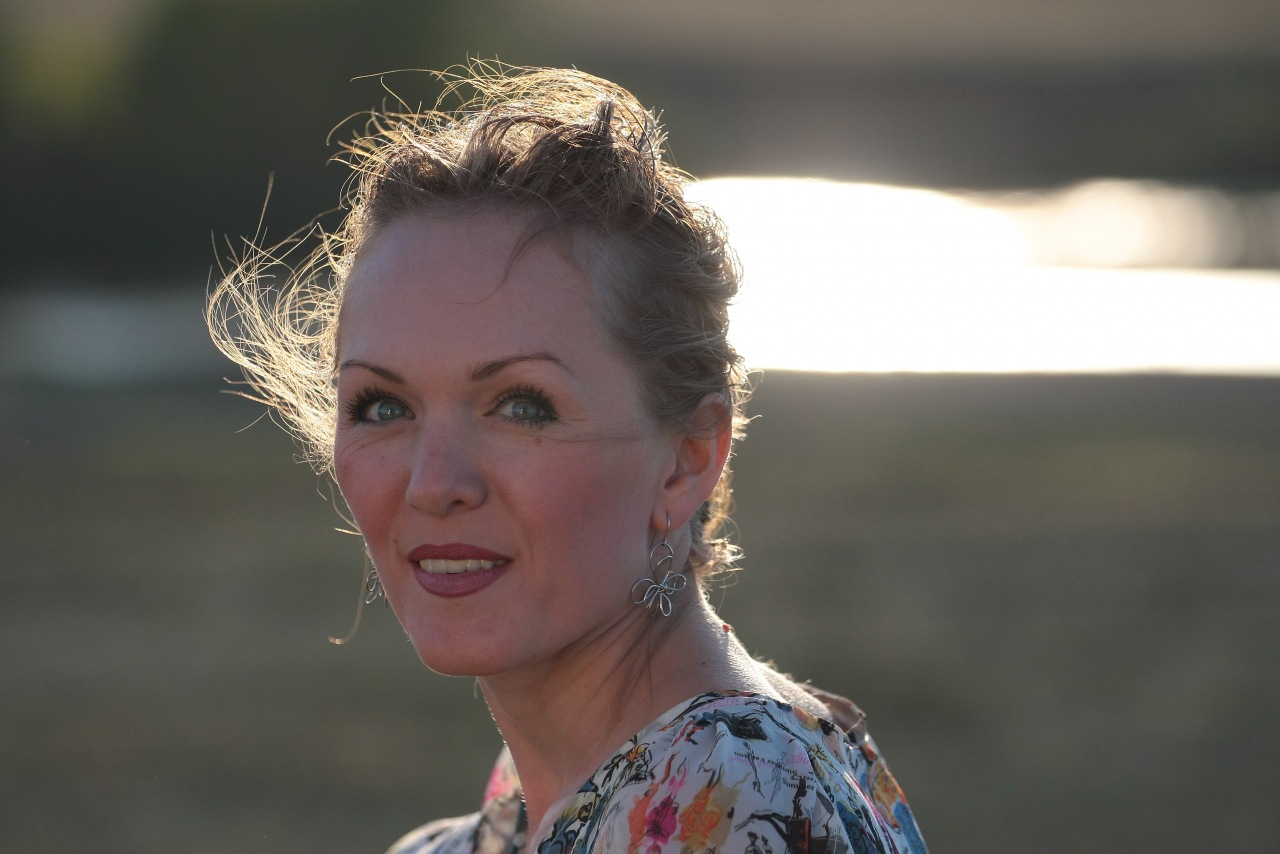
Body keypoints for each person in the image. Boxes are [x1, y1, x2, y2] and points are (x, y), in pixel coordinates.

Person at [208, 62, 927, 854]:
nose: (435, 483)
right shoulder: (527, 820)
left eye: (522, 406)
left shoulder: (729, 804)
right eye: (383, 407)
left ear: (686, 460)